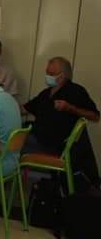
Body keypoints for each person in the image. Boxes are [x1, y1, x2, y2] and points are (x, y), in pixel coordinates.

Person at [23, 56, 100, 185]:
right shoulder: (46, 93)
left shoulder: (76, 91)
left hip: (54, 146)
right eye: (47, 73)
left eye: (51, 74)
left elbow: (95, 116)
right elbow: (26, 108)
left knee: (10, 143)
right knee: (14, 136)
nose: (47, 76)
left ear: (62, 76)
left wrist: (70, 108)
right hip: (39, 137)